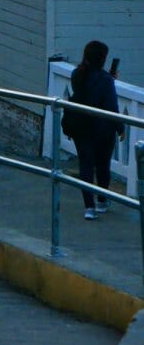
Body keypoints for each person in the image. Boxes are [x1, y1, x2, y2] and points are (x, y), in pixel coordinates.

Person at [67, 40, 124, 220]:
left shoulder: (77, 74)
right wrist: (120, 127)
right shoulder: (106, 80)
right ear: (102, 58)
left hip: (81, 126)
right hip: (102, 129)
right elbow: (111, 106)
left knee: (86, 165)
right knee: (102, 166)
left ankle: (89, 207)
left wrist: (106, 78)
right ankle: (101, 201)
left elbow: (87, 88)